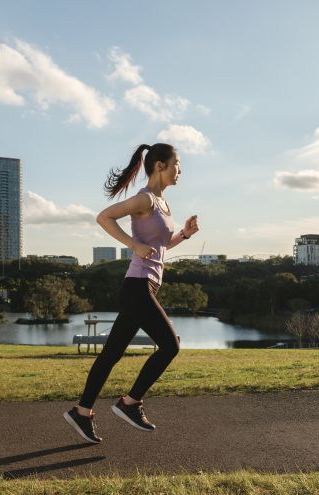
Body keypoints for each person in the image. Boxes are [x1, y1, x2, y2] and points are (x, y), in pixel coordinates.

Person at [63, 143, 199, 444]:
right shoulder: (144, 199)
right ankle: (130, 403)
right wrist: (132, 245)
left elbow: (161, 248)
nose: (180, 170)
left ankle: (81, 412)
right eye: (177, 163)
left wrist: (185, 234)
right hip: (137, 286)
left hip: (146, 286)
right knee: (170, 345)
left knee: (110, 355)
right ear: (160, 166)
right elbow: (104, 217)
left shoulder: (162, 204)